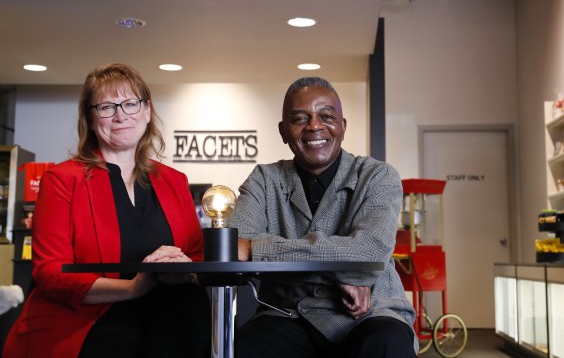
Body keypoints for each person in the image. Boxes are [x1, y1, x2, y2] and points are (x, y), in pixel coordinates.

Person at [3, 63, 210, 358]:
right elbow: (49, 272)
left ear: (147, 111)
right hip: (88, 319)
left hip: (171, 311)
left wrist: (184, 272)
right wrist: (133, 287)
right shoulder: (62, 180)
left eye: (130, 104)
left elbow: (197, 257)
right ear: (90, 116)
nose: (120, 115)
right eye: (106, 107)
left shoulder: (175, 181)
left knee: (195, 324)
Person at [228, 77, 418, 358]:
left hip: (370, 312)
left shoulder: (378, 176)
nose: (314, 126)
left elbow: (368, 252)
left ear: (342, 126)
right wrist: (344, 270)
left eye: (326, 116)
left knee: (387, 345)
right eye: (300, 118)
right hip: (288, 314)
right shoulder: (264, 179)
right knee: (238, 350)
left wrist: (259, 249)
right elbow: (235, 245)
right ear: (283, 131)